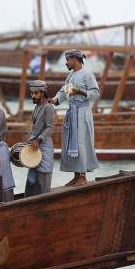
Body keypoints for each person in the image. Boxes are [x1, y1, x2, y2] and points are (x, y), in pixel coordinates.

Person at [52, 49, 99, 186]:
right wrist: (54, 100)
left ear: (75, 59)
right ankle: (76, 175)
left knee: (81, 142)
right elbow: (64, 92)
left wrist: (79, 91)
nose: (66, 62)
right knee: (71, 143)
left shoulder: (87, 74)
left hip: (83, 112)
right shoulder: (71, 75)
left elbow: (95, 92)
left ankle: (83, 176)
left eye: (68, 60)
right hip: (72, 112)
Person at [25, 80, 54, 197]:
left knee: (42, 181)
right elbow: (35, 127)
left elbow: (50, 127)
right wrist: (29, 140)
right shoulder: (37, 107)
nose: (33, 96)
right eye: (32, 93)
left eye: (36, 93)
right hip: (34, 147)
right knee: (31, 181)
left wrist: (38, 140)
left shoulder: (48, 107)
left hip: (44, 147)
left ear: (43, 93)